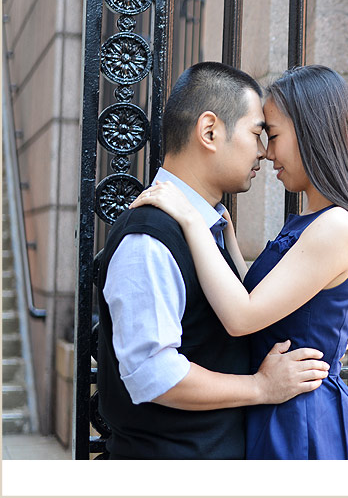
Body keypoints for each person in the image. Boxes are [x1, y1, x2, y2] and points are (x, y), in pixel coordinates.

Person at [131, 64, 348, 460]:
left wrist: (189, 219)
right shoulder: (310, 222)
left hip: (301, 418)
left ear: (312, 133)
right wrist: (225, 237)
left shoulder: (336, 224)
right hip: (279, 407)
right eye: (261, 136)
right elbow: (263, 301)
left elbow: (243, 317)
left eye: (274, 135)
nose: (266, 153)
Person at [97, 62, 330, 460]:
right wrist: (261, 387)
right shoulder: (149, 238)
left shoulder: (209, 228)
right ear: (210, 132)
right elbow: (154, 376)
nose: (264, 151)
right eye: (258, 132)